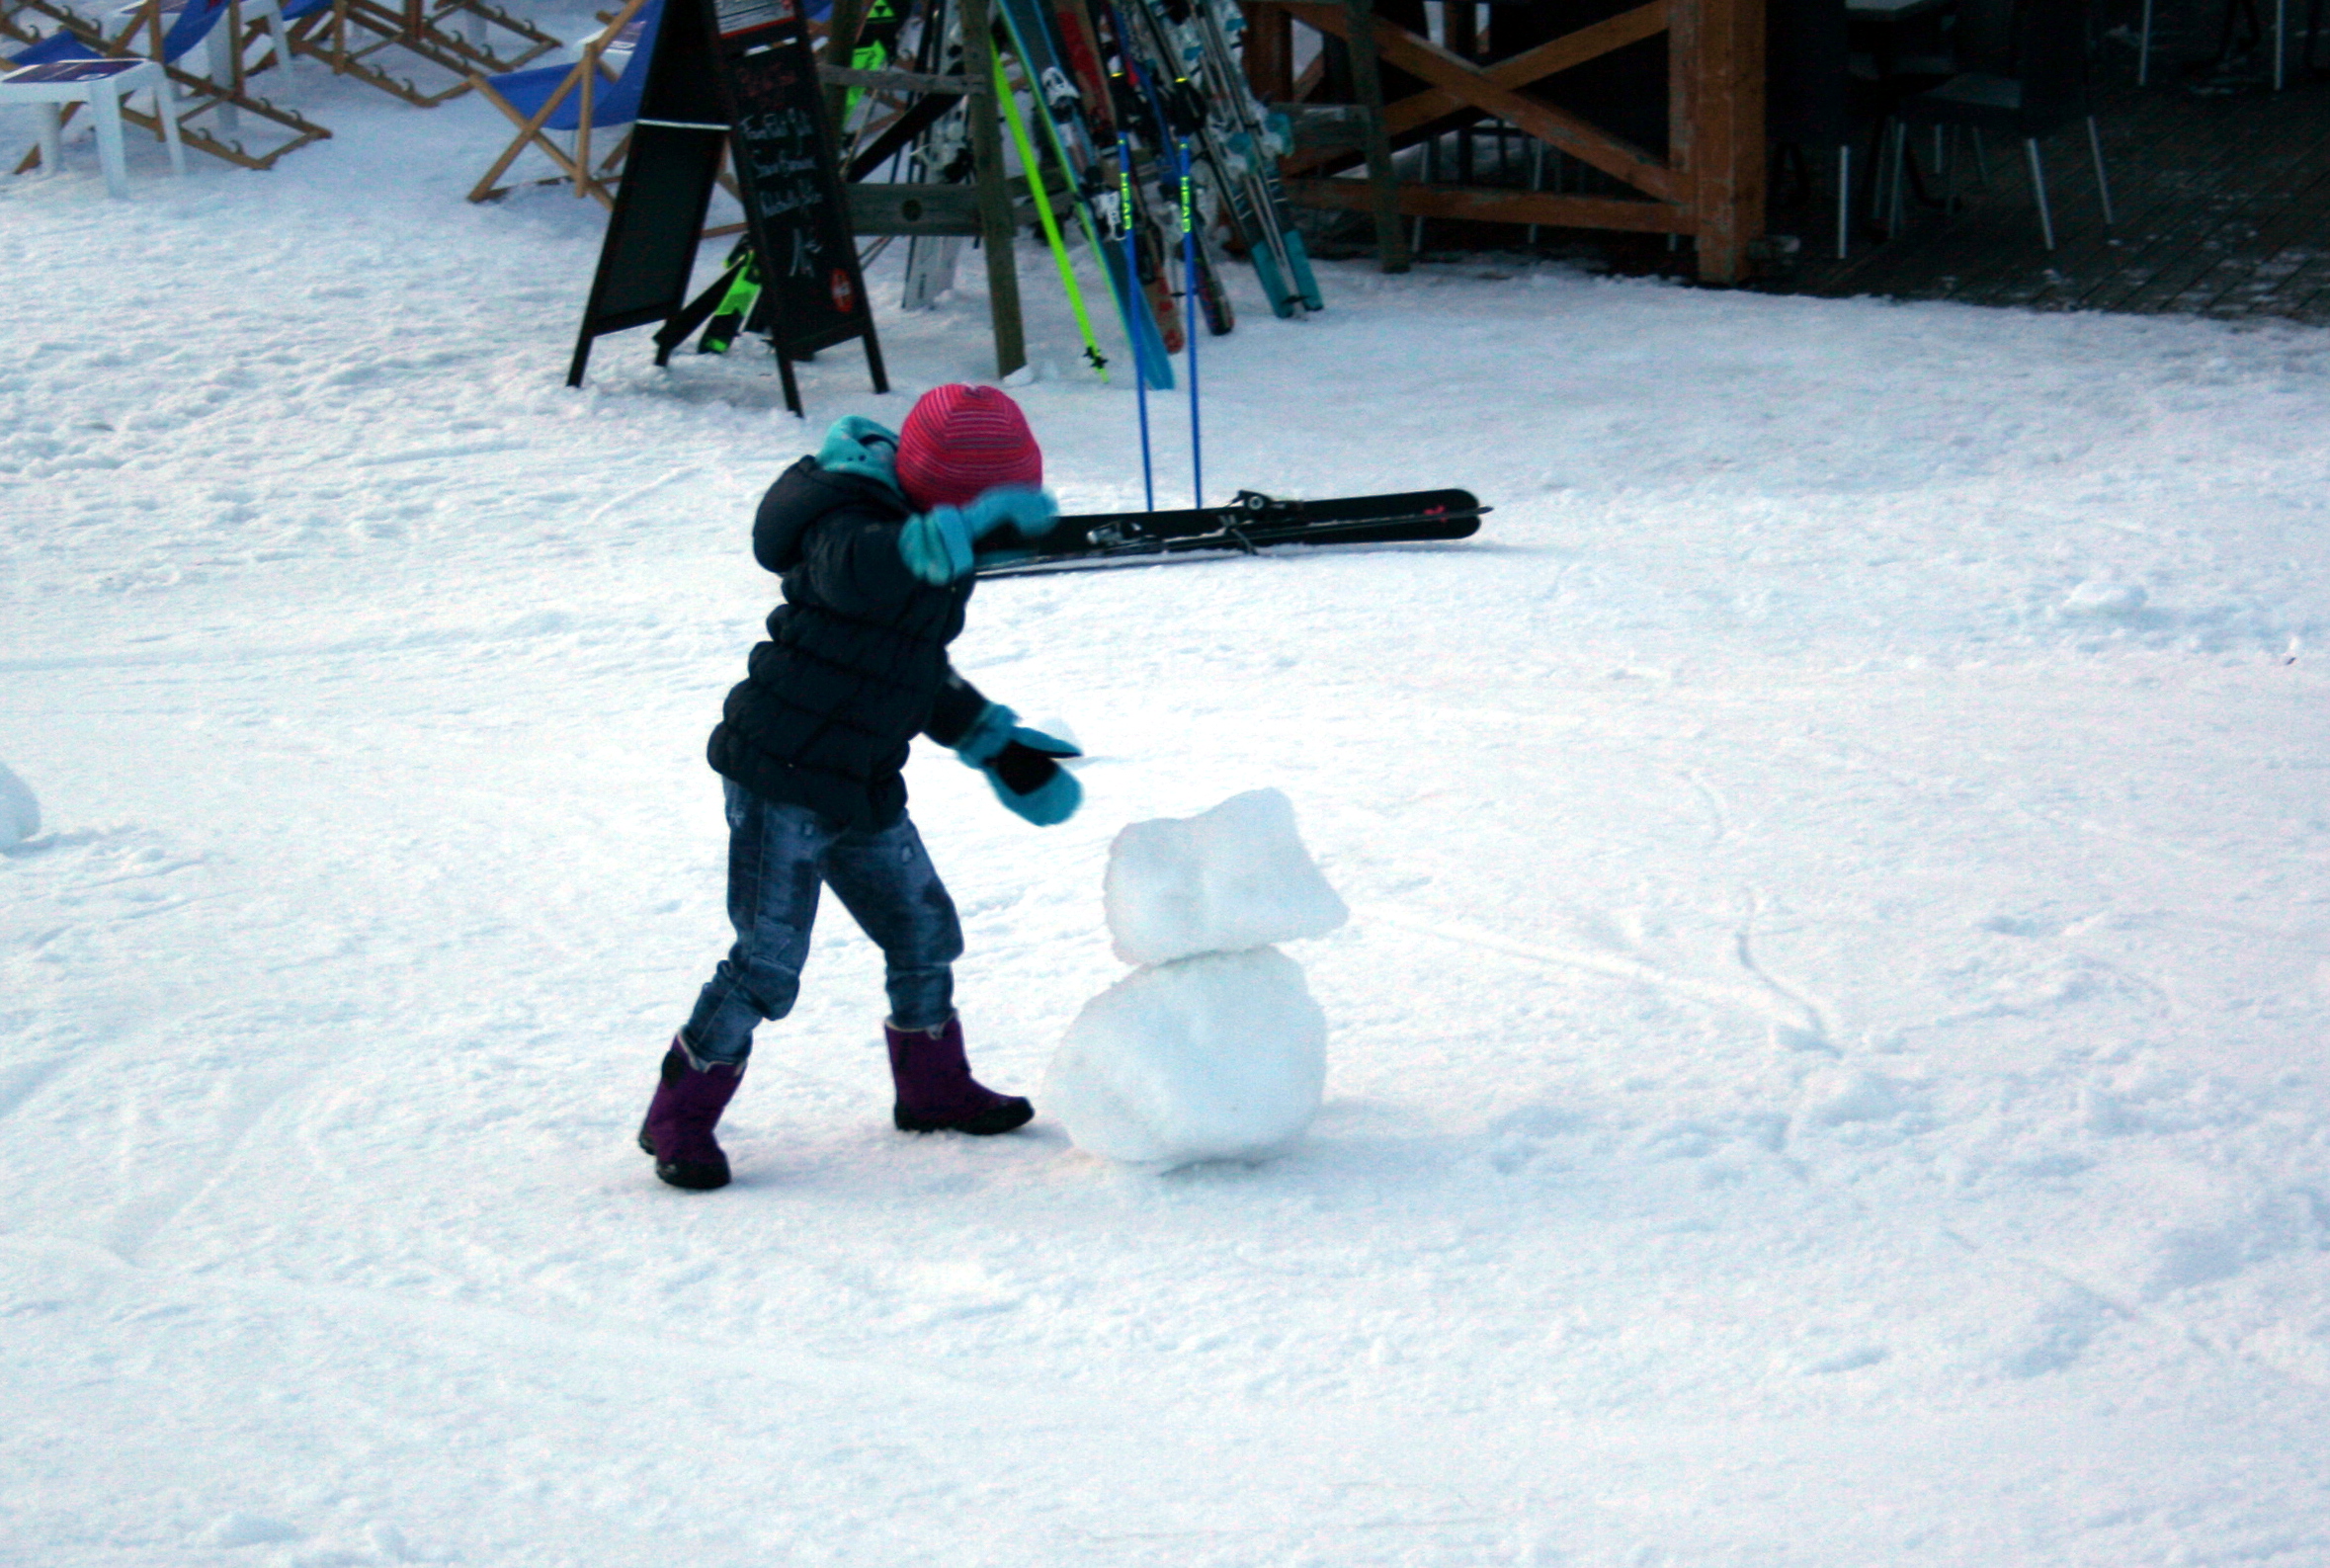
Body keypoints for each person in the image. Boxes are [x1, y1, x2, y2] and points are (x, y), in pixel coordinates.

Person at [638, 384, 1082, 1192]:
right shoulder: (845, 522)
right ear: (951, 500)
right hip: (780, 775)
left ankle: (932, 1086)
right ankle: (680, 1114)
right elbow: (853, 570)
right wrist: (940, 542)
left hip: (860, 776)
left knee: (924, 930)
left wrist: (994, 743)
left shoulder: (931, 553)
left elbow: (911, 670)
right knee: (768, 961)